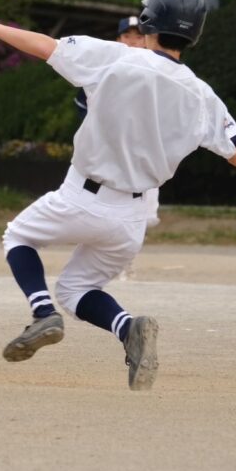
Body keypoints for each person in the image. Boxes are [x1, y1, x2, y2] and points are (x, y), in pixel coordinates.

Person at [0, 0, 236, 391]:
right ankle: (128, 329)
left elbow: (46, 46)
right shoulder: (202, 96)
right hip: (132, 219)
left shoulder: (115, 57)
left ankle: (42, 315)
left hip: (82, 196)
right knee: (77, 288)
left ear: (148, 19)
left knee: (18, 237)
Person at [73, 15, 161, 280]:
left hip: (144, 157)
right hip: (106, 156)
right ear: (118, 40)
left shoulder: (163, 73)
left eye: (138, 36)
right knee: (91, 207)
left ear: (147, 40)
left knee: (143, 212)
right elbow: (85, 109)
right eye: (127, 36)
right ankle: (93, 261)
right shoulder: (105, 70)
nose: (133, 42)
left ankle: (124, 260)